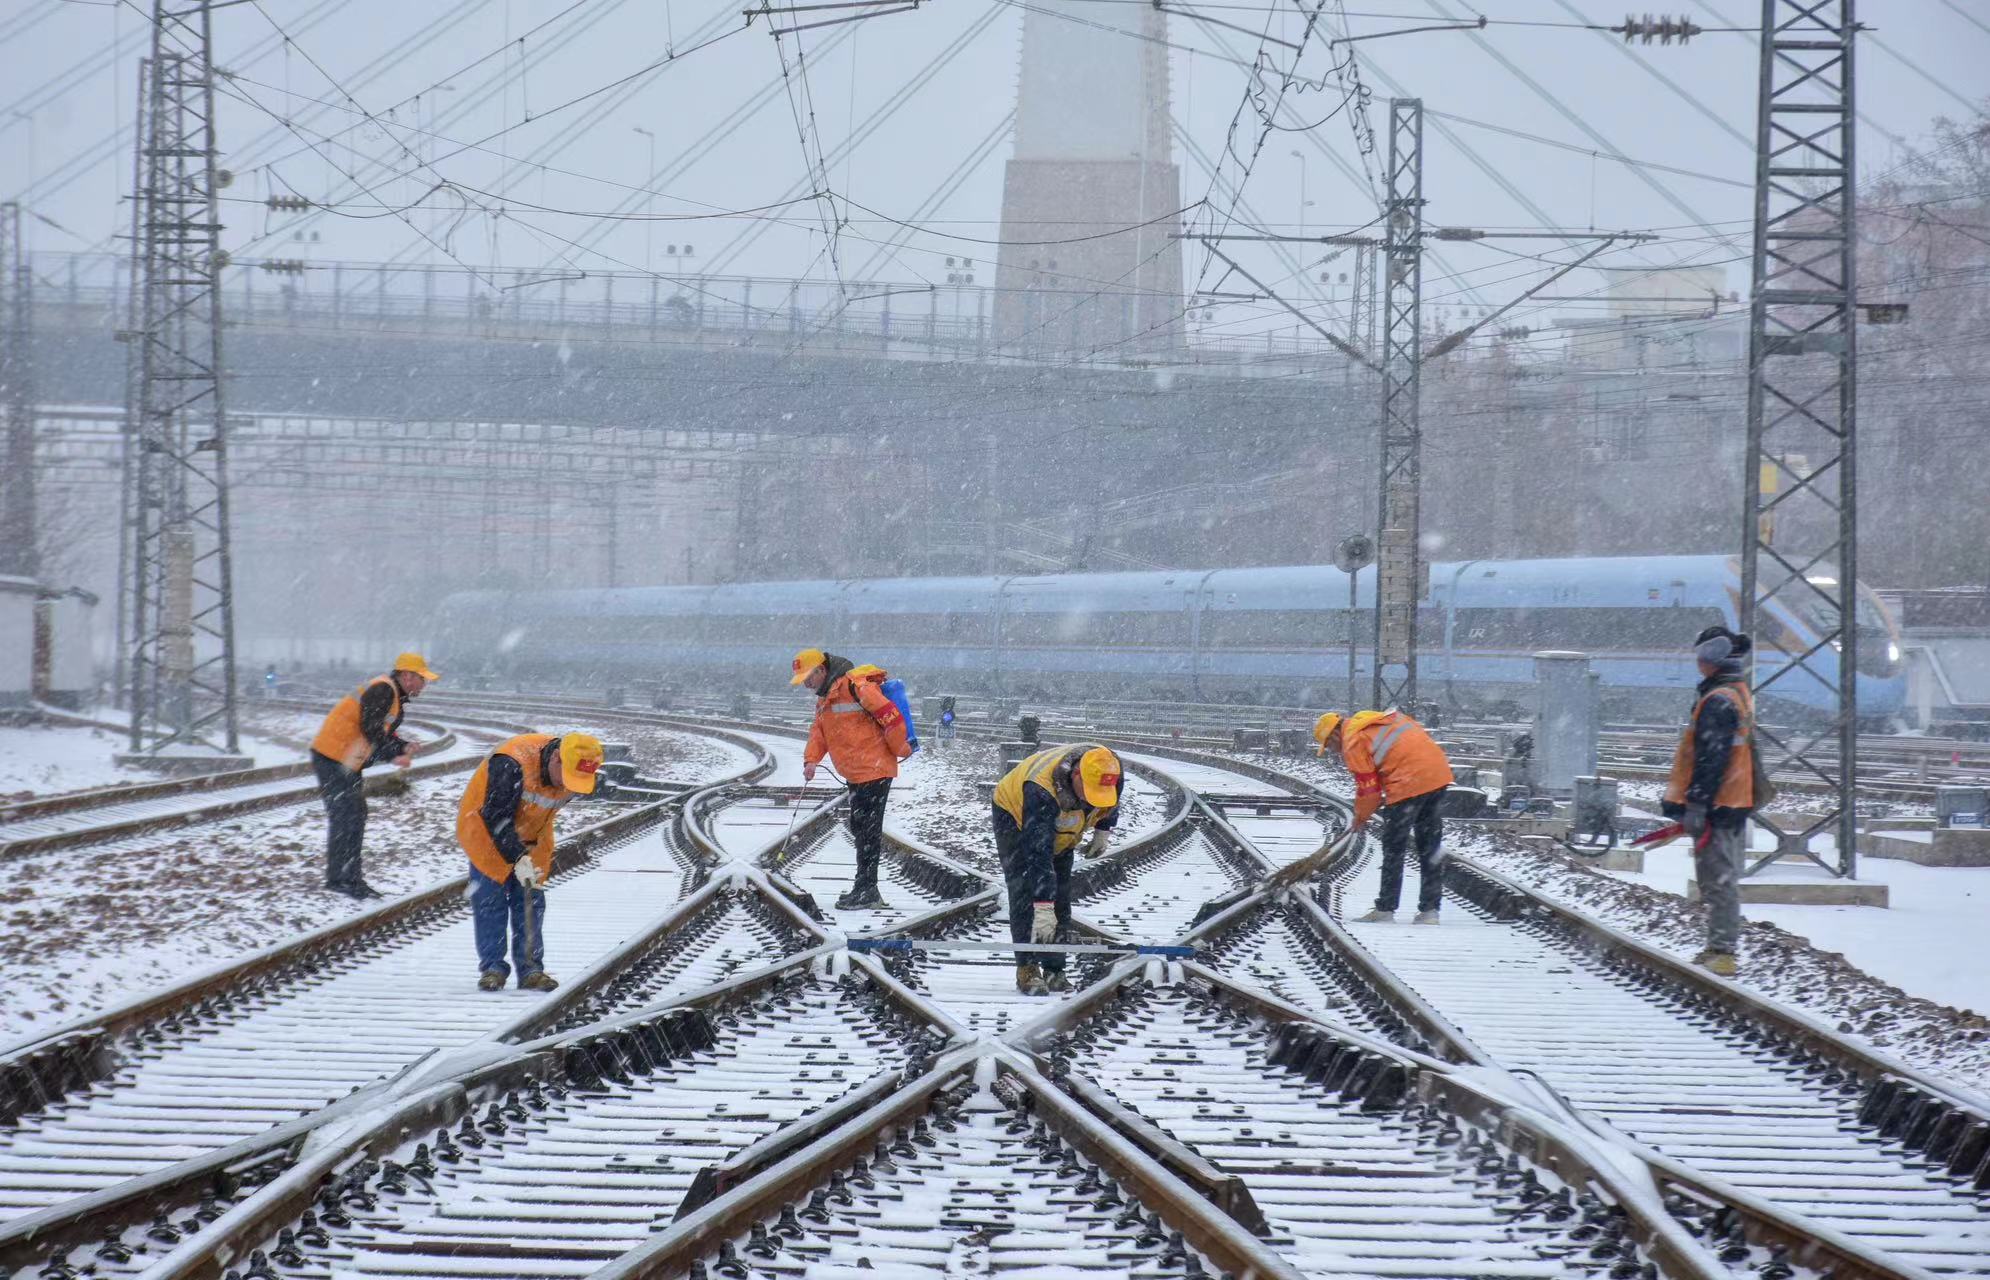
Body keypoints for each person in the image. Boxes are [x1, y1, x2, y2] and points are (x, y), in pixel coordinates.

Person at [456, 731, 605, 992]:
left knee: (529, 902)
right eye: (567, 778)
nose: (568, 786)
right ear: (556, 758)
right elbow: (496, 816)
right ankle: (493, 968)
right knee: (490, 902)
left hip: (533, 837)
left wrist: (524, 856)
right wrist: (517, 857)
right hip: (486, 834)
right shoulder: (510, 763)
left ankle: (531, 970)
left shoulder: (573, 768)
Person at [1662, 626, 1757, 978]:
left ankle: (1723, 952)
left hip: (1720, 803)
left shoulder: (1718, 699)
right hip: (1730, 800)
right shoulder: (1733, 691)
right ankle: (1718, 947)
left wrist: (1698, 804)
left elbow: (1711, 759)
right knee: (1716, 879)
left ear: (1712, 657)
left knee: (1718, 880)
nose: (1697, 662)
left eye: (1700, 655)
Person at [991, 743, 1121, 996]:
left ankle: (1055, 969)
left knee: (1061, 893)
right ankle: (1027, 968)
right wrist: (1043, 906)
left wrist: (1104, 828)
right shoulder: (1040, 790)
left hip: (1059, 814)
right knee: (1024, 889)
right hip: (1014, 815)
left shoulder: (1109, 767)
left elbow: (1114, 800)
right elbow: (1038, 855)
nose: (1091, 801)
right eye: (1090, 793)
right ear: (1076, 776)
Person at [792, 648, 914, 910]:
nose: (806, 684)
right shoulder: (825, 698)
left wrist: (901, 749)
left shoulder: (857, 687)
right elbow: (819, 732)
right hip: (856, 772)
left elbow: (891, 717)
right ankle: (865, 888)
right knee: (861, 829)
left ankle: (867, 890)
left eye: (808, 678)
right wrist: (811, 760)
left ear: (821, 670)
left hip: (875, 769)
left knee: (868, 832)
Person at [309, 652, 437, 900]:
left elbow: (382, 732)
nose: (424, 684)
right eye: (422, 679)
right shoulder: (383, 690)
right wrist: (393, 755)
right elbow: (371, 729)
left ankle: (349, 878)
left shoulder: (392, 694)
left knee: (354, 814)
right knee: (347, 816)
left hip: (345, 759)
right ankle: (341, 880)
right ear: (407, 676)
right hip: (333, 756)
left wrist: (402, 747)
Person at [1314, 709, 1453, 924]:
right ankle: (1430, 911)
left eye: (1331, 746)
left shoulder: (1353, 740)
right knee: (1430, 847)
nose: (1335, 751)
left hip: (1407, 781)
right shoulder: (1382, 720)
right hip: (1437, 776)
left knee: (1394, 848)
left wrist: (1360, 816)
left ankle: (1386, 909)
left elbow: (1369, 790)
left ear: (1334, 734)